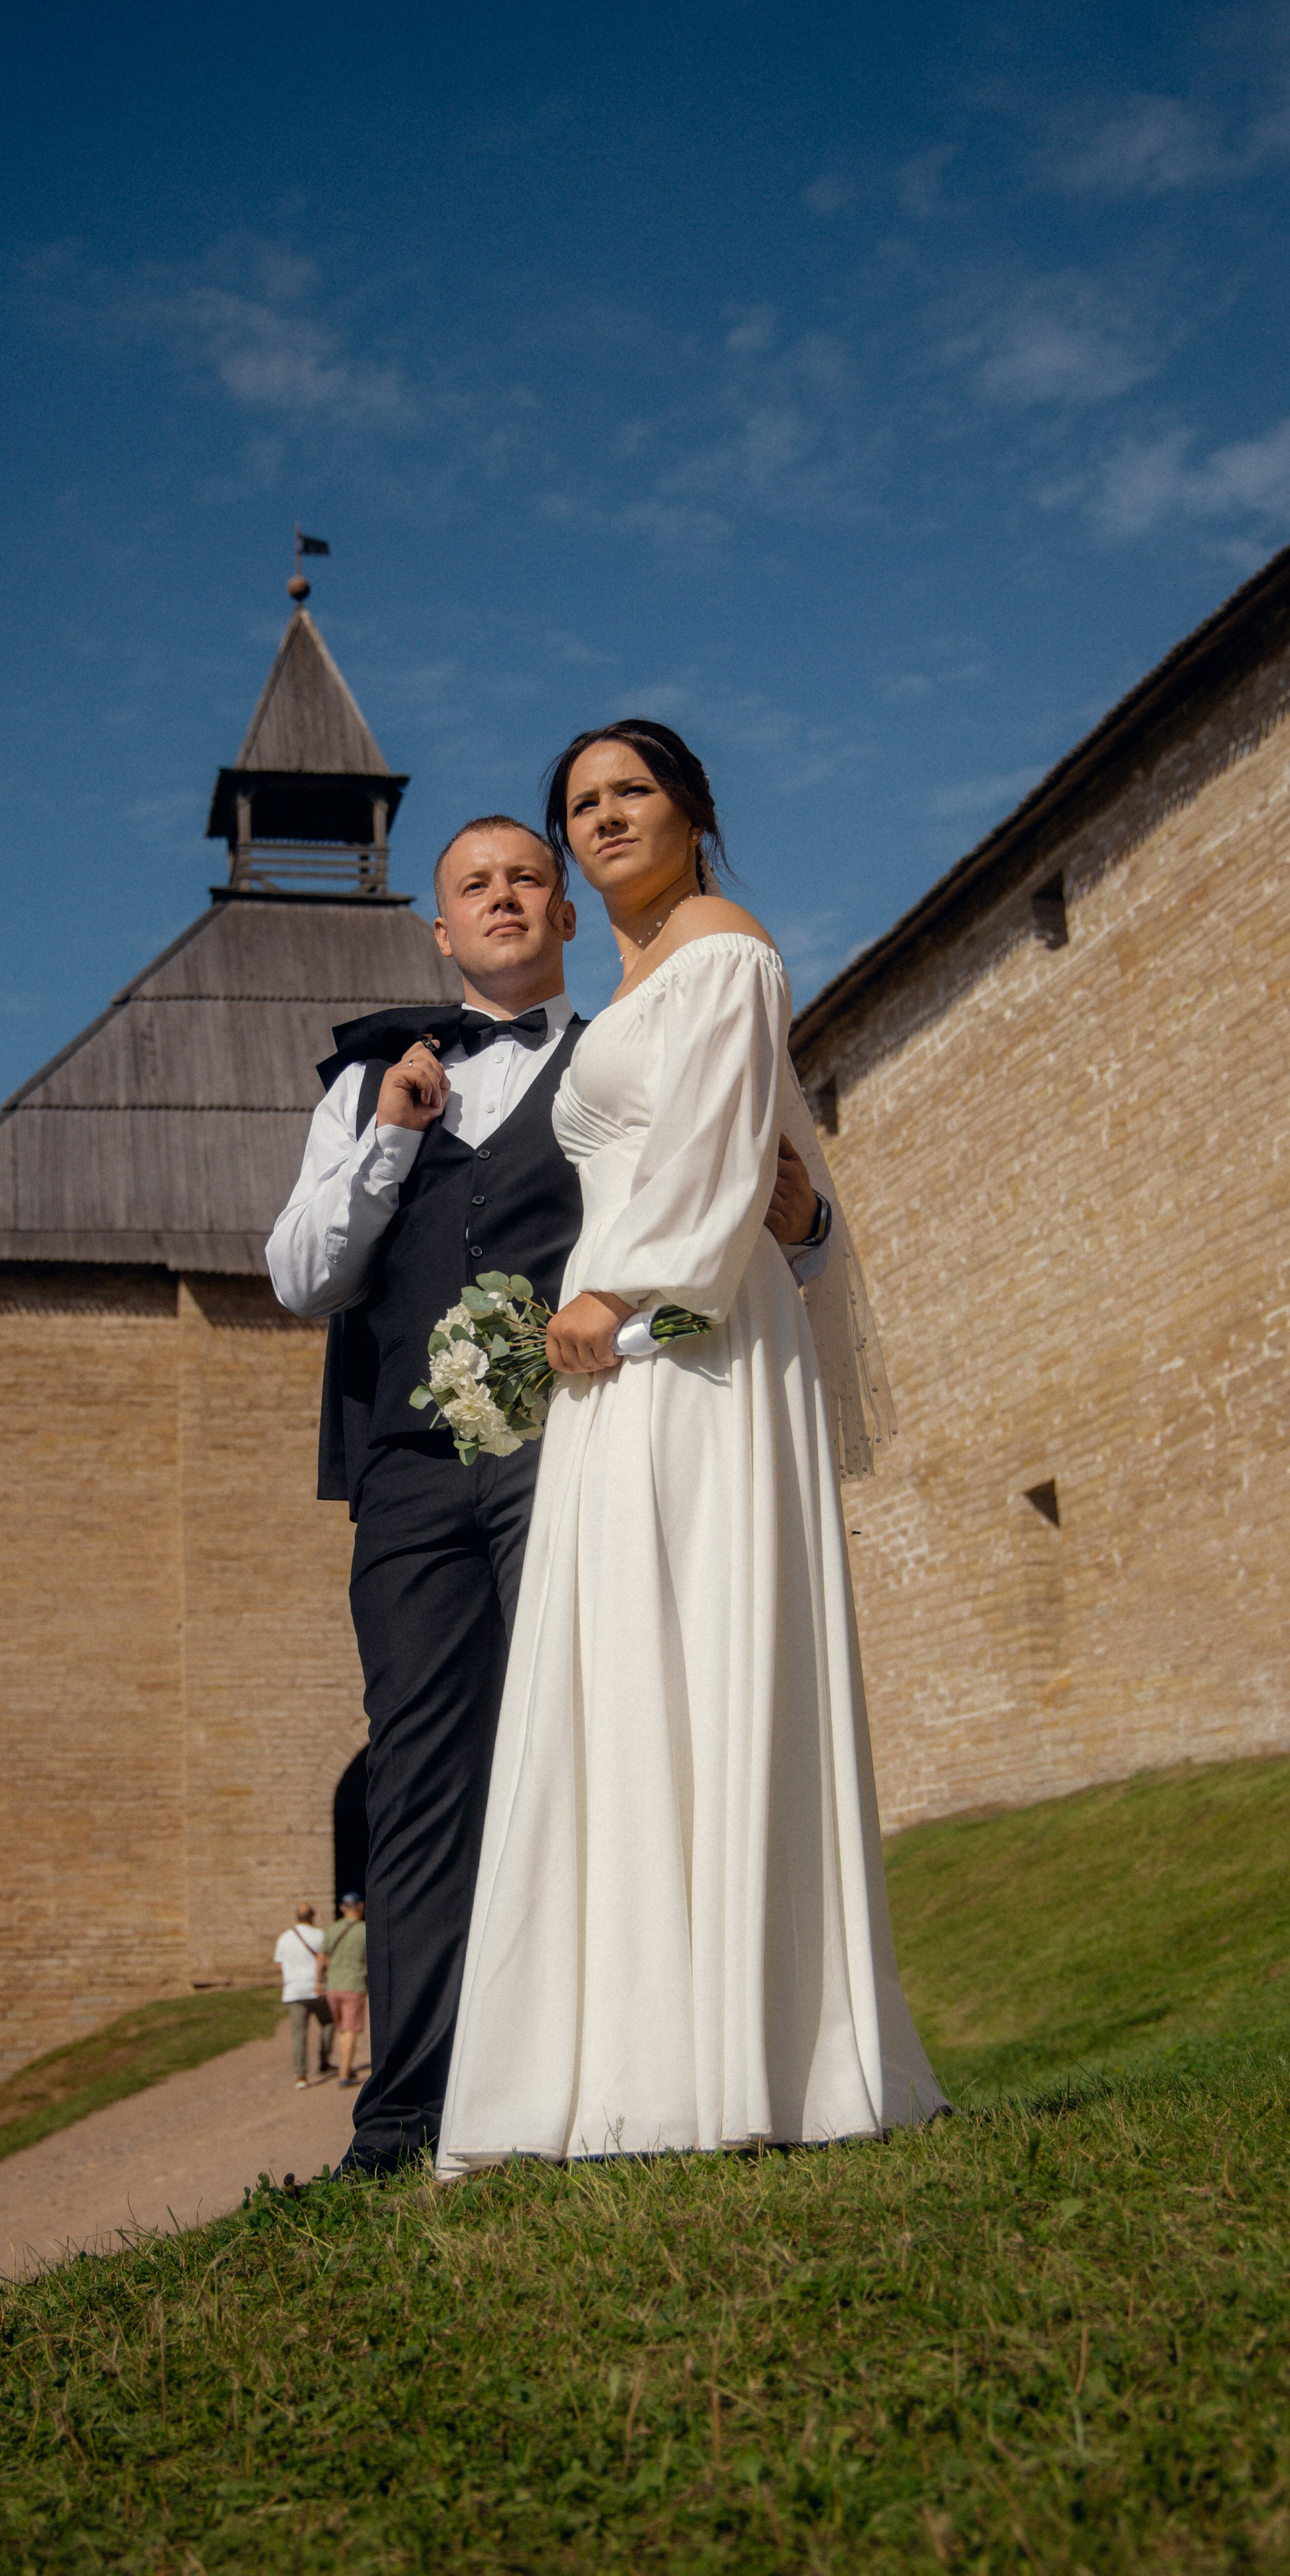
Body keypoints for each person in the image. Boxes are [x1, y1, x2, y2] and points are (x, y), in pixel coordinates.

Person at [267, 813, 832, 2175]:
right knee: (417, 1784)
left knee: (591, 1749)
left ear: (567, 915)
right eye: (475, 885)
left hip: (572, 1445)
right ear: (440, 927)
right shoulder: (363, 1084)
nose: (505, 898)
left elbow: (750, 1248)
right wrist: (392, 1139)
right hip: (406, 1476)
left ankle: (611, 2082)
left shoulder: (624, 1064)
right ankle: (402, 2113)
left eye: (529, 878)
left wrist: (798, 1218)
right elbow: (299, 1276)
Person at [436, 724, 945, 2172]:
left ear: (693, 811)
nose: (601, 817)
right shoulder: (634, 981)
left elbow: (721, 1157)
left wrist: (615, 1291)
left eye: (629, 792)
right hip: (623, 1362)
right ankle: (628, 2056)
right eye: (578, 804)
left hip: (685, 1352)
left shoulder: (724, 950)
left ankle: (744, 2057)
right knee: (621, 1680)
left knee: (698, 1655)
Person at [271, 1901, 332, 2089]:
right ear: (312, 1916)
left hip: (294, 1991)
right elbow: (325, 1959)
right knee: (329, 2022)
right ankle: (324, 2060)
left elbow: (279, 1964)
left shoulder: (285, 1938)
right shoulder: (319, 1935)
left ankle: (301, 2075)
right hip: (316, 1988)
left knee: (299, 2034)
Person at [318, 1892, 369, 2086]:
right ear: (360, 1907)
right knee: (350, 2030)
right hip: (353, 1984)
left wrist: (318, 1981)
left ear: (341, 1908)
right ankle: (344, 2075)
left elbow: (322, 1956)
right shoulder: (365, 1930)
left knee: (341, 2029)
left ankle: (343, 2067)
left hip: (334, 1985)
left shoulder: (333, 1929)